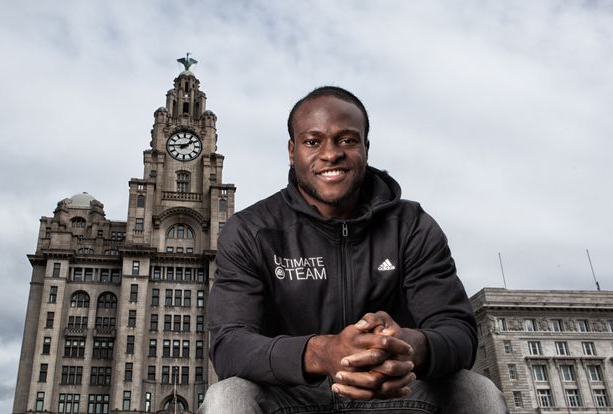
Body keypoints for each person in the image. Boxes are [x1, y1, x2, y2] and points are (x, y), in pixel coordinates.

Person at [199, 87, 508, 413]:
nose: (331, 154)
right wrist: (320, 352)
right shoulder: (250, 230)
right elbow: (229, 344)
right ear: (292, 151)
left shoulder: (412, 225)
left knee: (478, 392)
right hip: (294, 397)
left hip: (394, 390)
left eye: (346, 140)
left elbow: (458, 332)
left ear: (365, 147)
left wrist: (404, 346)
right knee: (226, 397)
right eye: (313, 141)